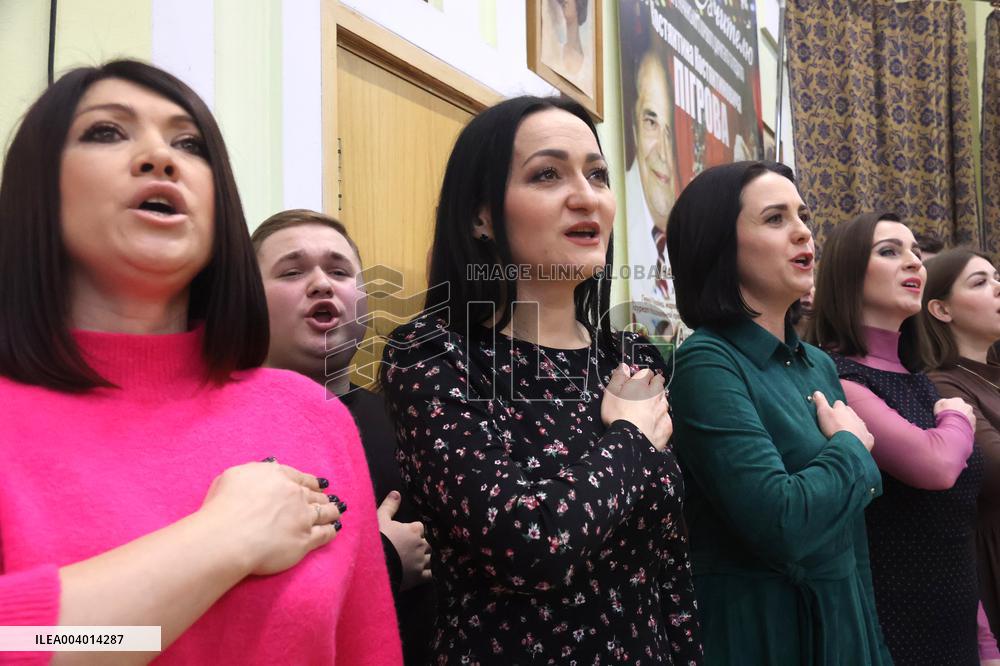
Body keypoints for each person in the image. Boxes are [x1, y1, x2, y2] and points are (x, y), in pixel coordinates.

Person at [0, 60, 400, 664]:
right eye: (107, 132)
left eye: (189, 144)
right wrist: (222, 540)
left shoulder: (311, 417)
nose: (160, 157)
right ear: (39, 189)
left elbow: (366, 648)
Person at [379, 95, 701, 664]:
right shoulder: (433, 354)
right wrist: (626, 438)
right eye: (548, 174)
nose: (587, 196)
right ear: (481, 216)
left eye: (597, 174)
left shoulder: (628, 355)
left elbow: (668, 563)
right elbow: (531, 548)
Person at [666, 161, 891, 665]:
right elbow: (780, 522)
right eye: (775, 218)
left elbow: (850, 541)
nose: (803, 231)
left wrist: (874, 648)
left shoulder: (817, 363)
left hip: (842, 624)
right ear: (720, 245)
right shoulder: (706, 359)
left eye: (803, 215)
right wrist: (852, 449)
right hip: (761, 633)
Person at [810, 212, 997, 665]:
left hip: (955, 618)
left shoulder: (917, 379)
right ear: (849, 273)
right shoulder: (842, 377)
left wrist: (986, 639)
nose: (913, 262)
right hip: (895, 619)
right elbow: (935, 466)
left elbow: (951, 525)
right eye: (890, 252)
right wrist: (956, 417)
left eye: (914, 251)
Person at [252, 208, 434, 665]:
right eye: (292, 271)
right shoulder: (224, 428)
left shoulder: (412, 418)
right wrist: (383, 559)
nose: (320, 283)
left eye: (338, 270)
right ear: (246, 300)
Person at [915, 249, 1000, 645]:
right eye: (980, 282)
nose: (998, 287)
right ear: (941, 309)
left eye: (996, 276)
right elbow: (994, 471)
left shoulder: (992, 372)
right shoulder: (943, 383)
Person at [625, 46, 680, 336]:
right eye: (650, 122)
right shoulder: (613, 221)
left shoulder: (681, 233)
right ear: (633, 129)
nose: (662, 152)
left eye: (668, 133)